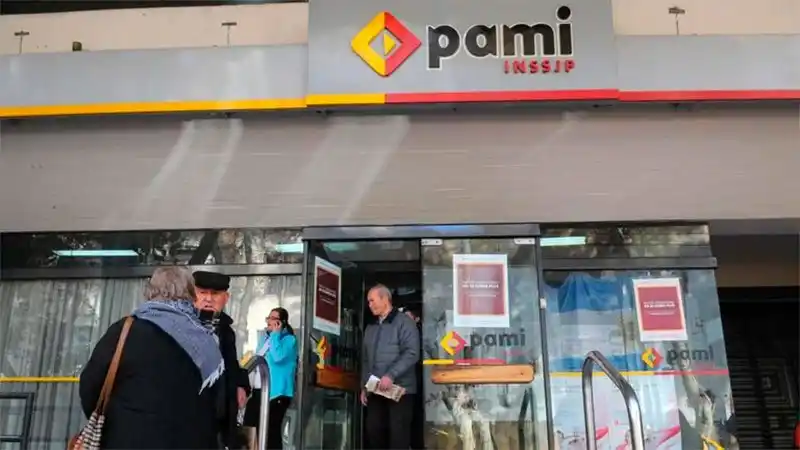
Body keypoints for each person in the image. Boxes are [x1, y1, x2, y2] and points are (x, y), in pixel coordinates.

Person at [79, 267, 222, 448]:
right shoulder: (205, 339)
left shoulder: (125, 330)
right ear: (190, 294)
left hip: (127, 438)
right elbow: (218, 402)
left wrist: (112, 423)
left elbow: (91, 384)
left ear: (150, 291)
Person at [193, 270, 251, 449]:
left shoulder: (226, 330)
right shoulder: (182, 326)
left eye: (215, 294)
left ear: (226, 298)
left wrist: (241, 383)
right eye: (202, 292)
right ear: (192, 295)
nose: (208, 299)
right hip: (190, 416)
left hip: (220, 417)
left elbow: (230, 365)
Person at [361, 285, 420, 449]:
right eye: (368, 302)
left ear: (385, 299)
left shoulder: (404, 323)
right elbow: (366, 359)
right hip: (375, 388)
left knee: (398, 436)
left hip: (400, 390)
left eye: (372, 300)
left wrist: (391, 375)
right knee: (374, 431)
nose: (369, 305)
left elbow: (412, 353)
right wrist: (364, 386)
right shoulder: (371, 327)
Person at [243, 307, 298, 450]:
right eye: (269, 318)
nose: (269, 321)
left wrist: (276, 334)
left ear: (281, 323)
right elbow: (258, 358)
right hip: (260, 390)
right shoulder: (265, 338)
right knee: (250, 424)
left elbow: (278, 356)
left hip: (277, 393)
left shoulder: (290, 340)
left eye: (274, 319)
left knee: (271, 432)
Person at [400, 306, 425, 449]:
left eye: (408, 318)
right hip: (407, 382)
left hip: (420, 381)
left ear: (417, 319)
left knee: (417, 415)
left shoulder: (422, 335)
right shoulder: (401, 334)